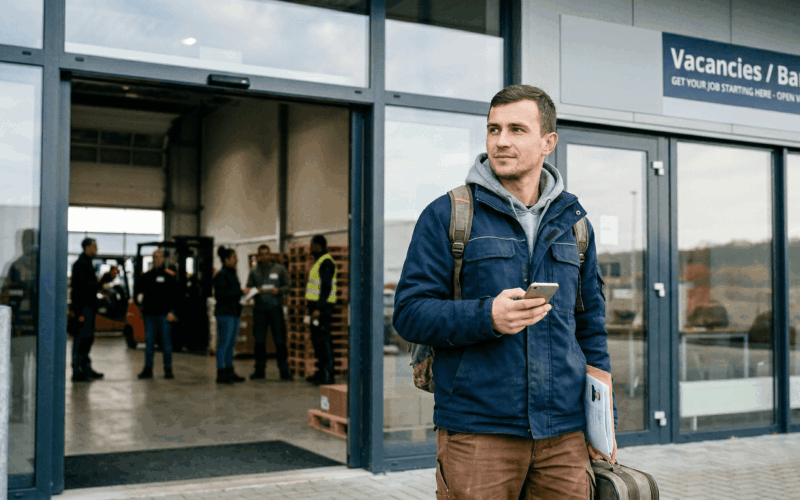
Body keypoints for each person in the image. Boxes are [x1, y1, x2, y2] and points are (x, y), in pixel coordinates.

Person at [392, 84, 615, 499]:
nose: (501, 141)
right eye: (494, 129)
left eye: (516, 129)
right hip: (479, 432)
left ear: (548, 141)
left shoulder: (575, 223)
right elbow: (408, 313)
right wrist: (486, 316)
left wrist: (602, 422)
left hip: (564, 435)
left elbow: (590, 327)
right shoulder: (450, 214)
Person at [70, 237, 119, 382]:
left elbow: (92, 285)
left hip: (90, 307)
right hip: (83, 307)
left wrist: (106, 278)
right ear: (87, 247)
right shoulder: (80, 265)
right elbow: (84, 286)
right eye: (95, 246)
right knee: (81, 338)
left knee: (88, 338)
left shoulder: (88, 264)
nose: (97, 249)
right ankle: (77, 369)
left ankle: (86, 368)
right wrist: (102, 279)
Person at [246, 244, 291, 380]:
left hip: (275, 310)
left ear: (270, 255)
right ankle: (259, 371)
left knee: (280, 341)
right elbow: (248, 289)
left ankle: (284, 371)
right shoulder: (254, 272)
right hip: (259, 311)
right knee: (259, 341)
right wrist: (255, 291)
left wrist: (279, 291)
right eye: (262, 254)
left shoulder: (279, 269)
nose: (265, 256)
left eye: (267, 253)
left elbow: (288, 286)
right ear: (259, 256)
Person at [137, 249, 179, 380]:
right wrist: (140, 305)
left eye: (160, 257)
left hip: (164, 315)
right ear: (152, 258)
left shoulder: (170, 275)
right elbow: (138, 292)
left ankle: (168, 369)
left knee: (166, 343)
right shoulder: (146, 275)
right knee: (149, 343)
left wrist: (173, 312)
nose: (157, 259)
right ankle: (148, 369)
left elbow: (176, 296)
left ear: (163, 259)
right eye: (155, 257)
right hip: (149, 315)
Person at [213, 246, 249, 384]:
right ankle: (220, 373)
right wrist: (240, 292)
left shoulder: (232, 274)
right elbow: (221, 295)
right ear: (226, 260)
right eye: (234, 257)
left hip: (234, 313)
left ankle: (229, 370)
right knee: (224, 344)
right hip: (225, 313)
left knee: (231, 344)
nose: (237, 260)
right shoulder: (221, 276)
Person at [304, 235, 337, 385]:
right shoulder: (318, 262)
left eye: (312, 244)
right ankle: (320, 371)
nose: (310, 247)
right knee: (317, 340)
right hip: (315, 308)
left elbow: (326, 287)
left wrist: (319, 308)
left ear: (319, 245)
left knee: (323, 340)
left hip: (322, 308)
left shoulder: (326, 262)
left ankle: (328, 373)